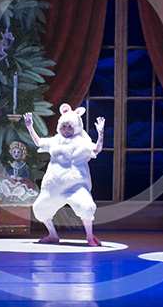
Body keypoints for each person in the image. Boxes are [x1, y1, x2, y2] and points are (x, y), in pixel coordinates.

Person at [24, 104, 105, 246]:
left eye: (70, 127)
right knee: (40, 208)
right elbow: (39, 142)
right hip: (54, 186)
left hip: (75, 186)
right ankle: (52, 235)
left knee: (87, 207)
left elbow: (96, 149)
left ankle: (90, 237)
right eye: (64, 126)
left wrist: (101, 133)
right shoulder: (55, 141)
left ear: (76, 127)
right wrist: (30, 127)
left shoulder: (82, 142)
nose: (67, 130)